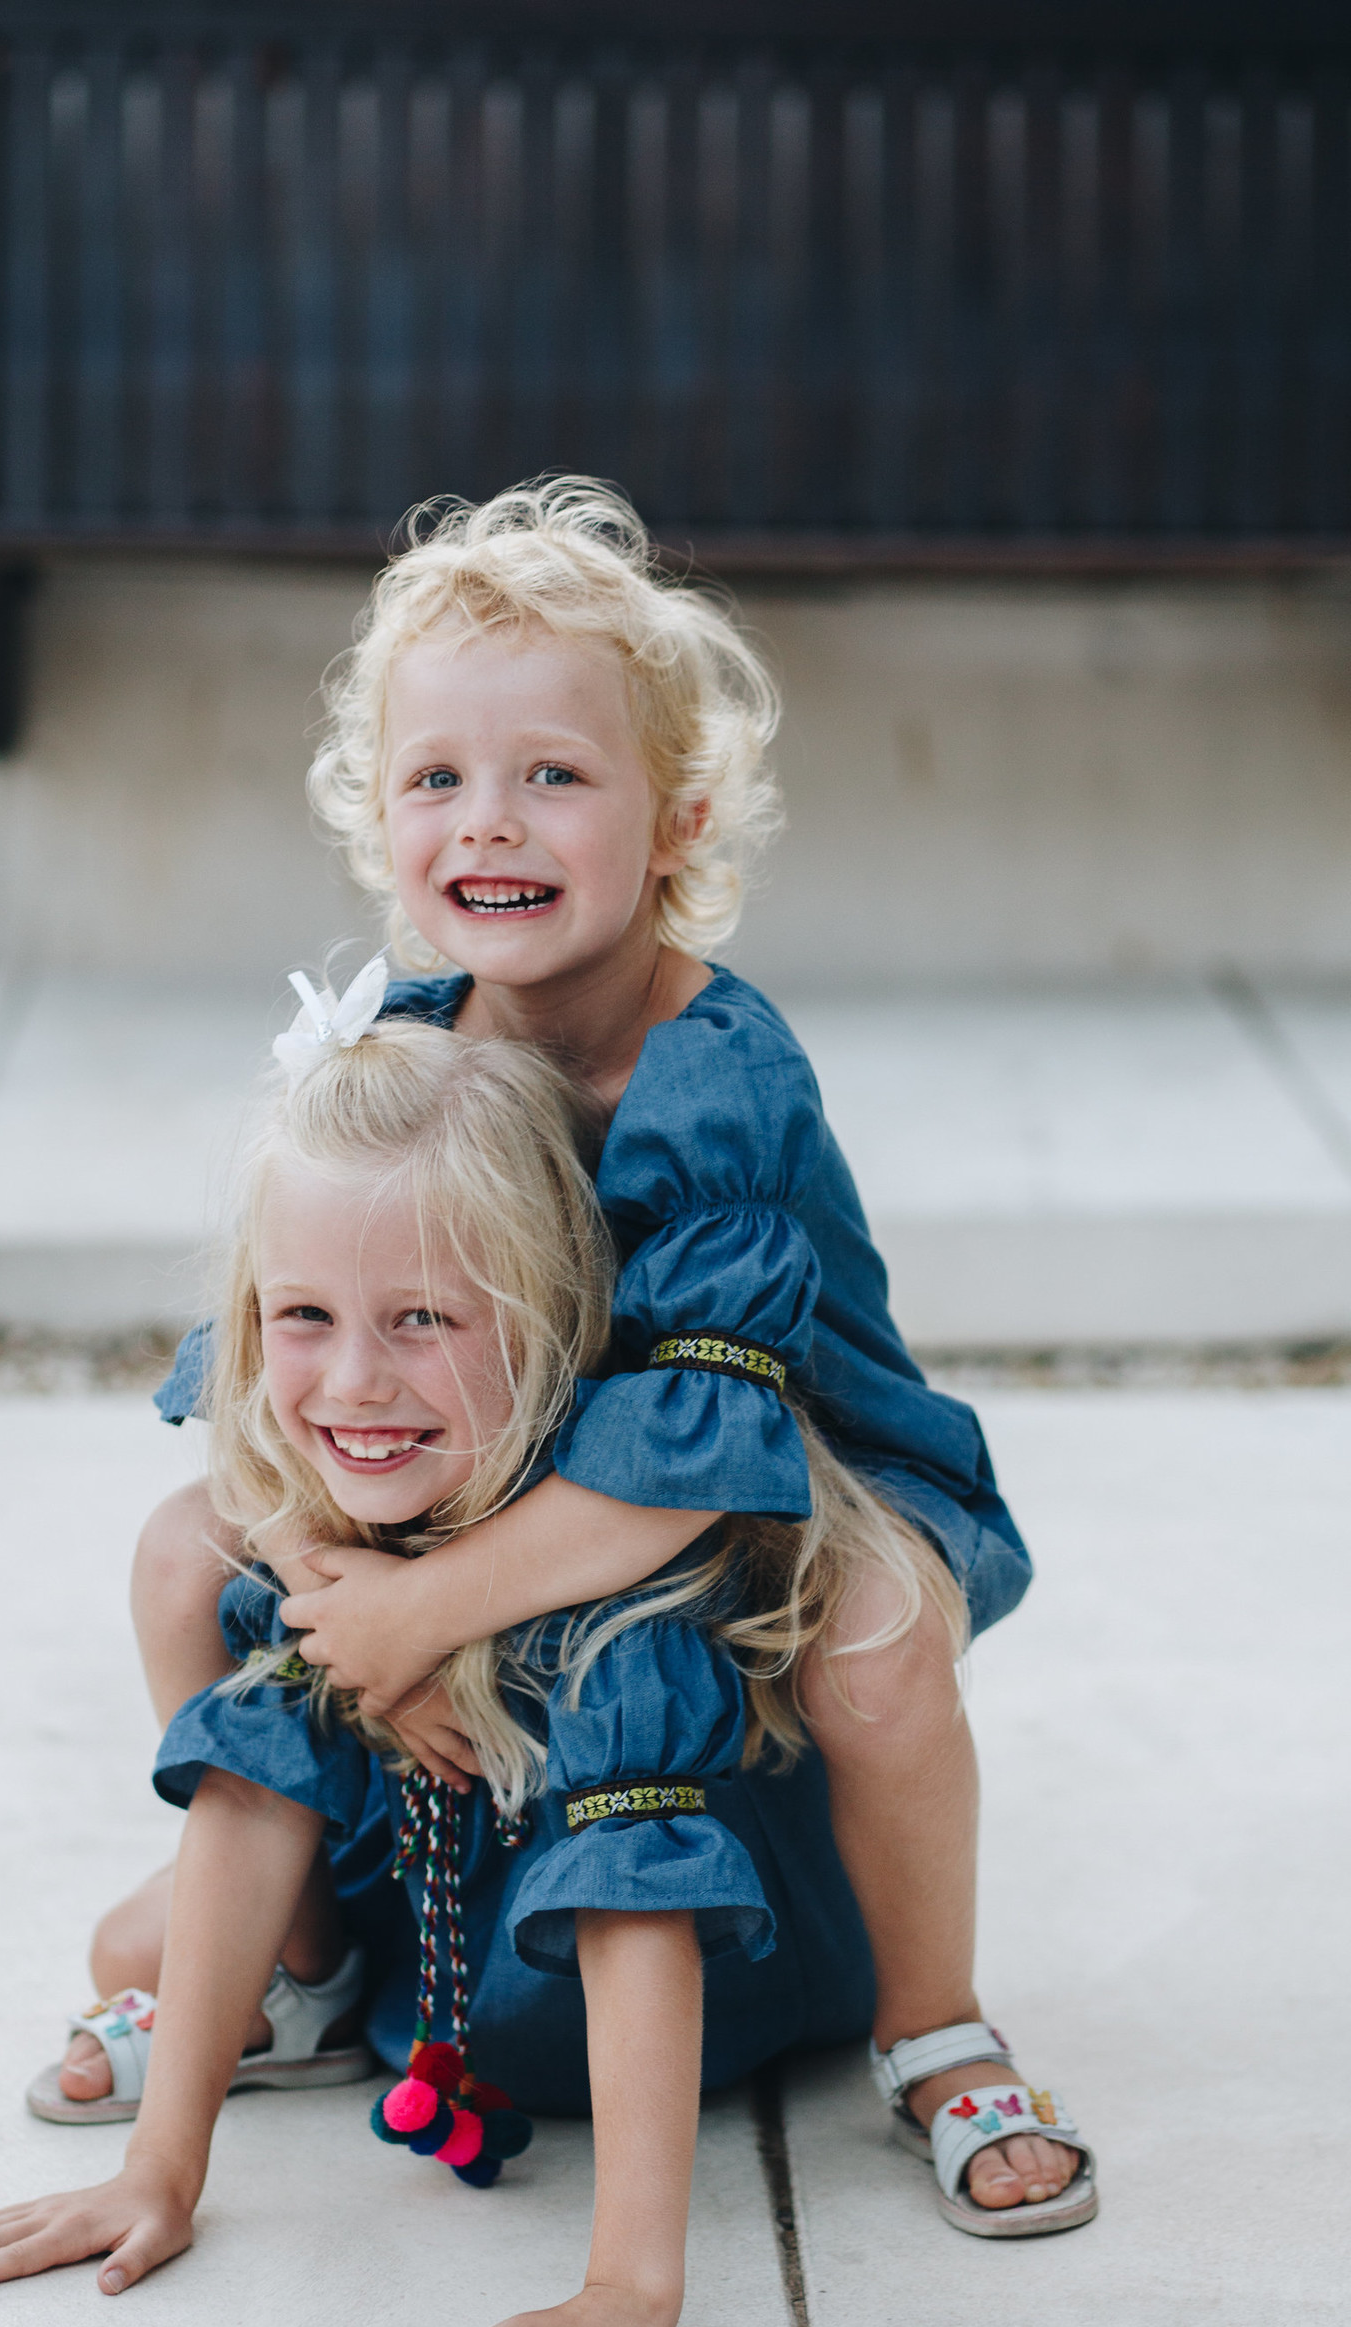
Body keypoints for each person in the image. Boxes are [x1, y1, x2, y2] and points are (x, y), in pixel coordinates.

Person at [79, 478, 1092, 2237]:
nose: (495, 821)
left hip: (782, 1468)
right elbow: (274, 1363)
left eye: (555, 773)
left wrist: (421, 1608)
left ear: (676, 814)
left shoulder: (721, 1085)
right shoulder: (411, 1044)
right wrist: (338, 1585)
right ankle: (308, 1961)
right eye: (439, 779)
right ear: (377, 818)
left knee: (871, 1653)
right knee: (185, 1555)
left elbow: (696, 1451)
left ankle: (934, 2028)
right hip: (497, 1444)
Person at [0, 1019, 1072, 2327]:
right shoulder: (342, 1533)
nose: (352, 1387)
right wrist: (163, 2171)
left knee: (181, 1951)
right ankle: (317, 1995)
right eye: (305, 1320)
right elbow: (250, 1792)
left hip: (691, 2007)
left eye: (423, 1321)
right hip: (453, 1973)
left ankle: (927, 2031)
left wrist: (627, 2290)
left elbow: (636, 1926)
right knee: (133, 1946)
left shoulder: (613, 1602)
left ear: (547, 1314)